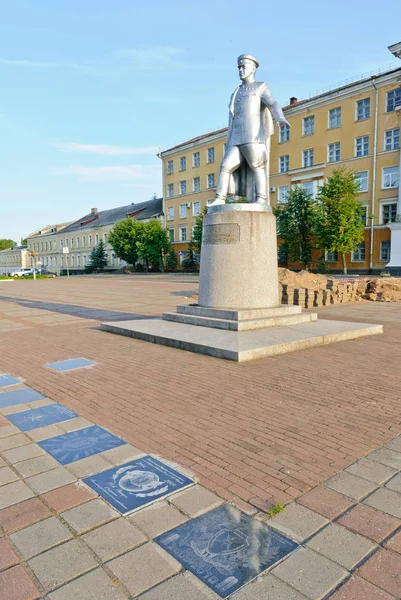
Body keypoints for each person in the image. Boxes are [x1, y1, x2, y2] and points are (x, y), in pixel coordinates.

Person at [210, 54, 290, 206]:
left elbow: (272, 103)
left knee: (257, 166)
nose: (240, 70)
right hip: (235, 138)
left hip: (253, 136)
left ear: (253, 68)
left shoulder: (261, 86)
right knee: (225, 166)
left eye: (244, 66)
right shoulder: (237, 91)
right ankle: (220, 198)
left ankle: (261, 198)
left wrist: (279, 116)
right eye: (239, 67)